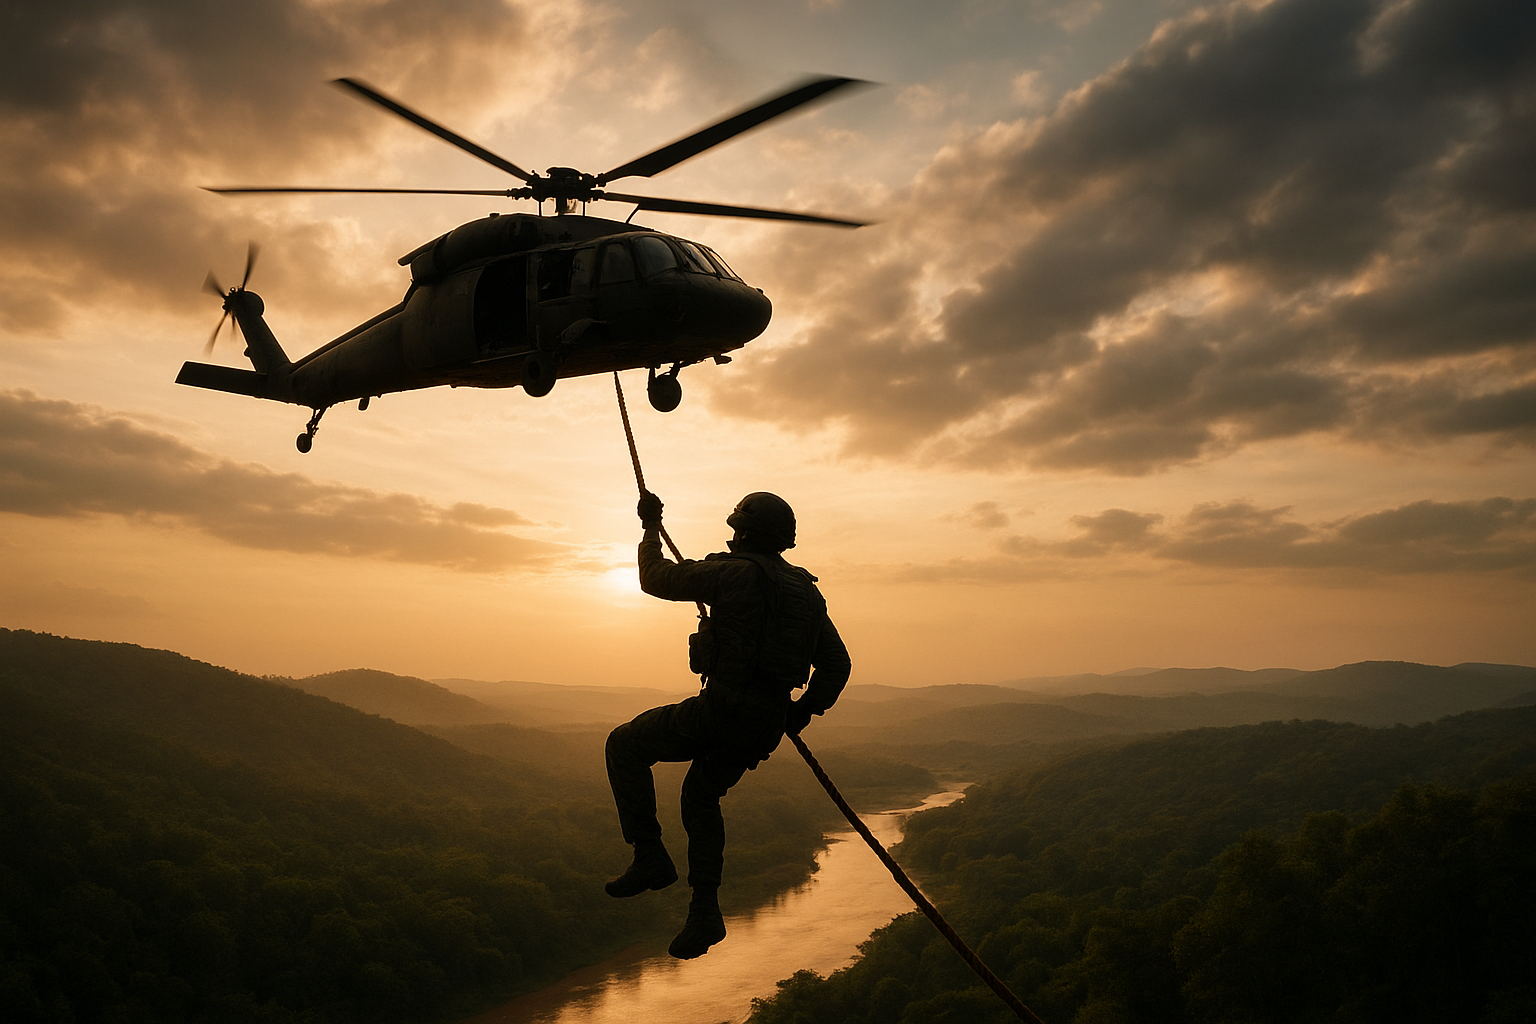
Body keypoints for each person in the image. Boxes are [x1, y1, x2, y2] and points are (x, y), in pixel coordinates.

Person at [604, 490, 852, 959]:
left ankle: (650, 855)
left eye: (737, 529)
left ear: (744, 532)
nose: (732, 536)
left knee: (624, 745)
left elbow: (655, 579)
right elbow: (837, 664)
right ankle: (704, 910)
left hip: (720, 712)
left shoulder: (732, 573)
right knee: (700, 795)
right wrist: (800, 712)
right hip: (763, 725)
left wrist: (649, 528)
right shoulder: (806, 591)